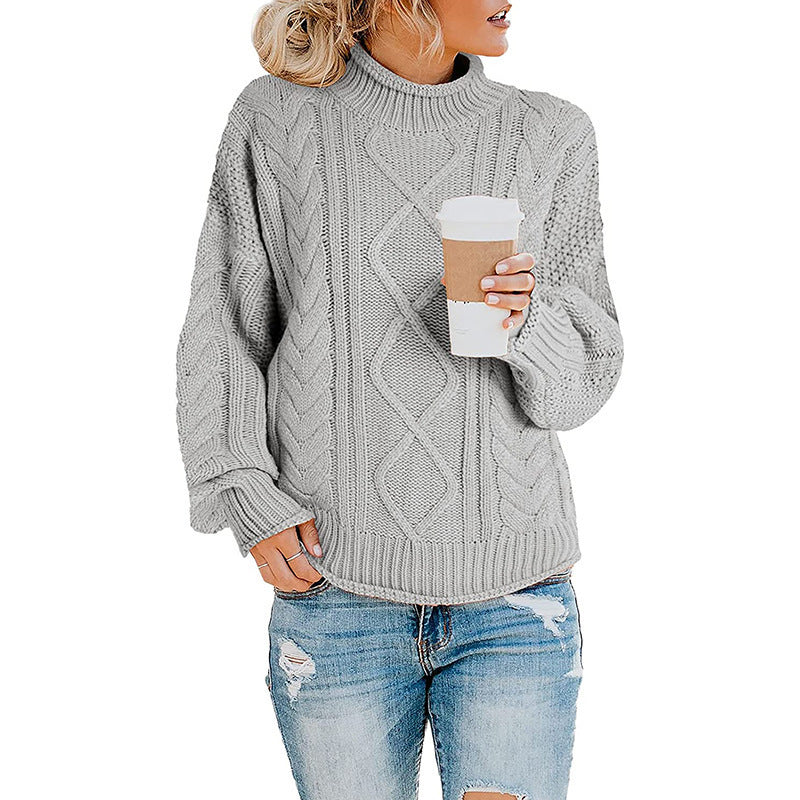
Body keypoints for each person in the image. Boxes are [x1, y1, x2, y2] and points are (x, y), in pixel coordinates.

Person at [175, 1, 624, 798]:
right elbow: (225, 323)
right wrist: (244, 488)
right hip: (334, 590)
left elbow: (582, 384)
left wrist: (526, 322)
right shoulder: (275, 118)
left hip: (515, 598)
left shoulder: (552, 132)